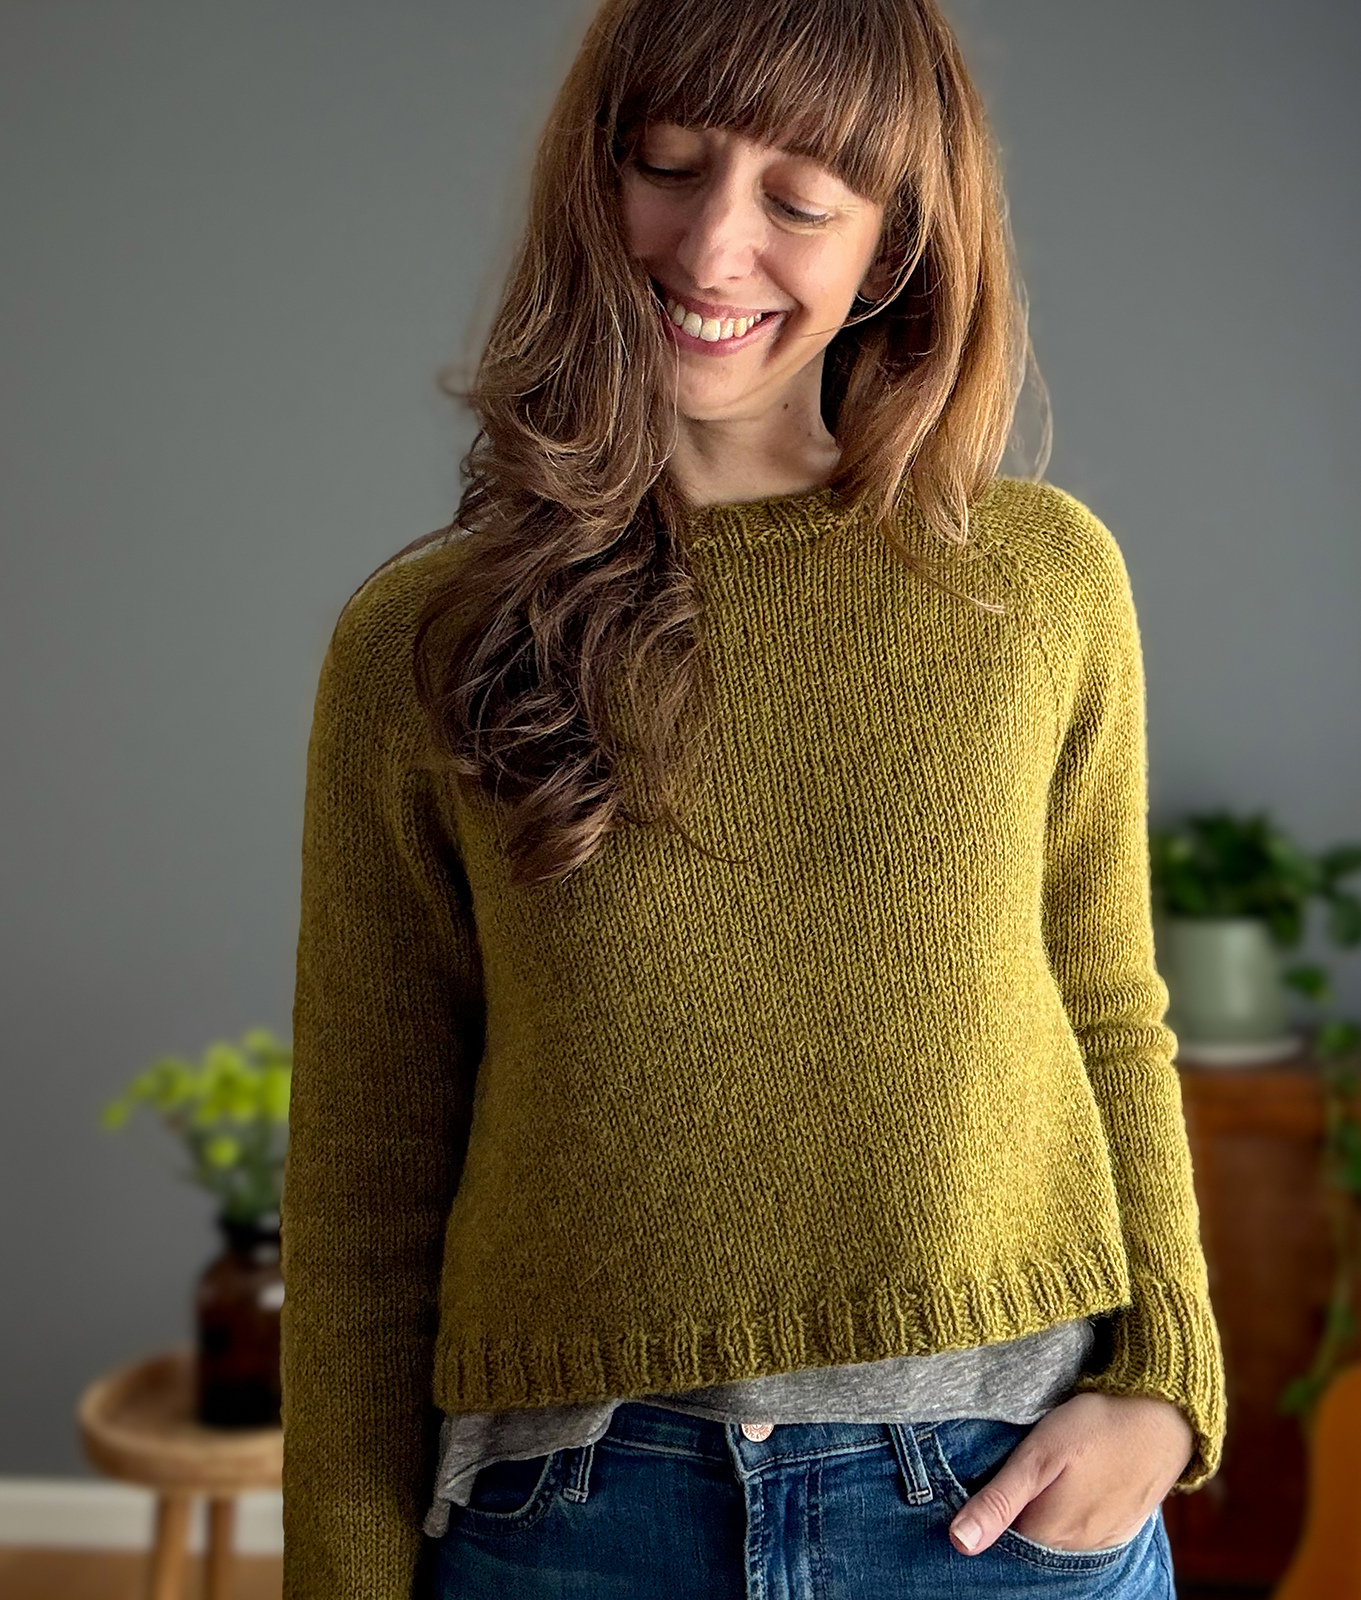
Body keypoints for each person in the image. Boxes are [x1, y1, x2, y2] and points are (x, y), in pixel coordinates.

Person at [279, 0, 1225, 1595]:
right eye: (670, 165)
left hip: (992, 1502)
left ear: (895, 249)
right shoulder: (426, 637)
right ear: (598, 177)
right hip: (573, 1520)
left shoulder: (1041, 586)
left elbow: (1106, 1003)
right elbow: (367, 1155)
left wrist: (1168, 1381)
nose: (715, 247)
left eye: (800, 199)